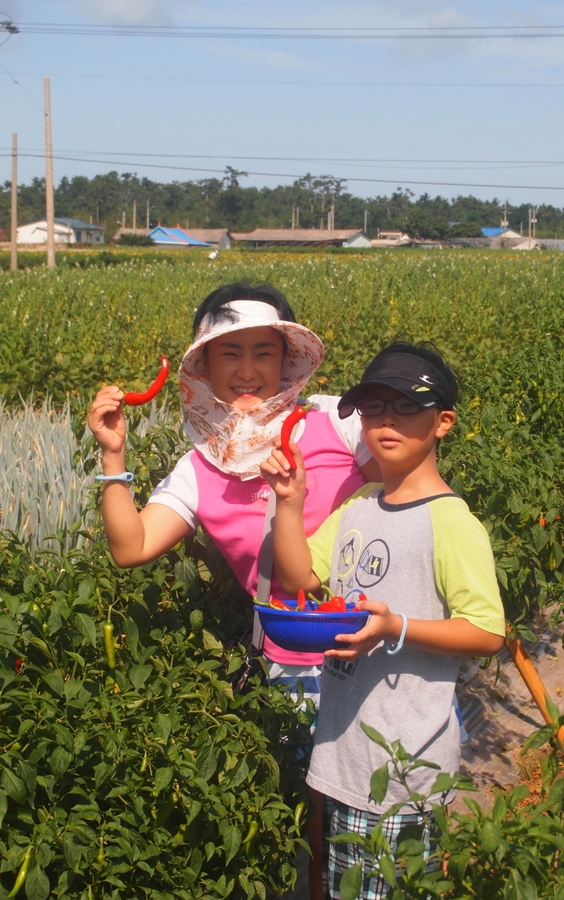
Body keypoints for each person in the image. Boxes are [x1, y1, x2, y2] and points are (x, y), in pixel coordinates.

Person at [87, 282, 380, 899]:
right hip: (289, 670)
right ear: (204, 366)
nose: (248, 370)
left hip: (377, 654)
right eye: (229, 353)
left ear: (286, 360)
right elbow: (131, 547)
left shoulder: (340, 422)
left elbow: (413, 495)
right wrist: (114, 456)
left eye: (263, 352)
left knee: (368, 831)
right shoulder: (201, 465)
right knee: (306, 828)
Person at [260, 341, 506, 900]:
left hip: (403, 766)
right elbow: (303, 581)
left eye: (406, 406)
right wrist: (291, 504)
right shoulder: (361, 506)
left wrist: (394, 627)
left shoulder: (450, 522)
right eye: (374, 408)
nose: (386, 421)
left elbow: (488, 631)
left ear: (443, 422)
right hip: (346, 752)